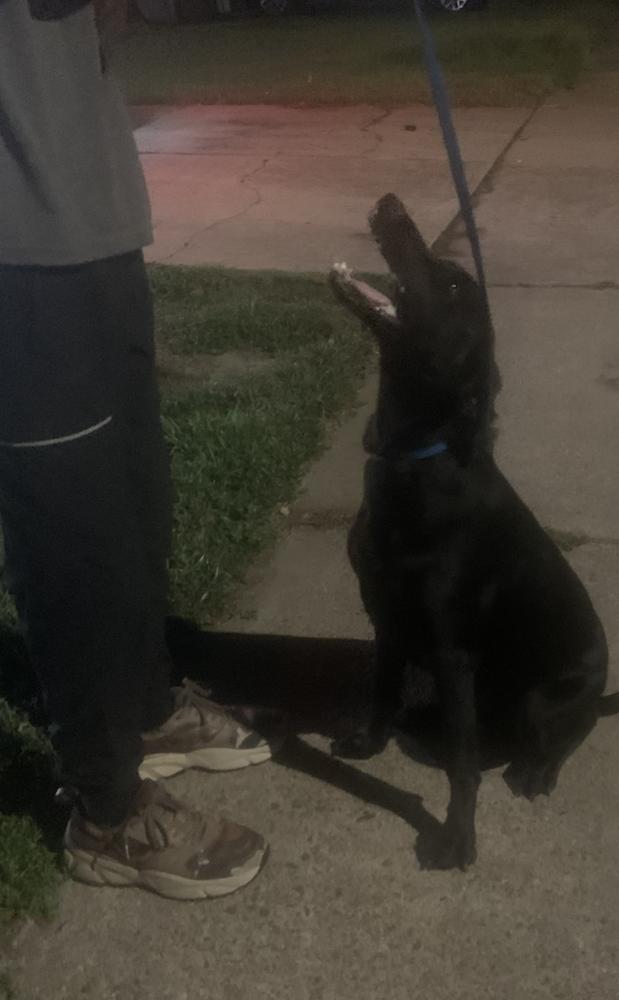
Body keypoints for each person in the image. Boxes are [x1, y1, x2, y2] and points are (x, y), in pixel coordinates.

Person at [0, 0, 272, 899]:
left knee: (136, 499)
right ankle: (105, 809)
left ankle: (145, 707)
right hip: (16, 244)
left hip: (92, 206)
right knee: (74, 538)